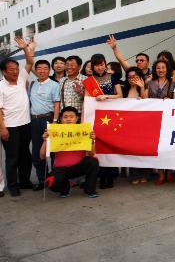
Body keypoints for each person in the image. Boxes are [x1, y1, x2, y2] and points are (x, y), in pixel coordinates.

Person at [0, 37, 35, 197]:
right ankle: (13, 185)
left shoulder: (21, 78)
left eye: (16, 68)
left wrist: (24, 49)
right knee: (12, 157)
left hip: (25, 124)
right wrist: (3, 129)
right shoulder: (1, 86)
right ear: (4, 71)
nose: (15, 71)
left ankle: (25, 181)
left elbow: (29, 62)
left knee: (25, 155)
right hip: (10, 127)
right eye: (11, 69)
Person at [40, 106, 99, 198]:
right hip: (61, 169)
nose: (68, 119)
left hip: (78, 166)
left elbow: (92, 154)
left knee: (93, 161)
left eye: (71, 117)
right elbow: (42, 156)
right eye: (65, 117)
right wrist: (45, 140)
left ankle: (89, 190)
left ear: (77, 118)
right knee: (50, 183)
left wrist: (91, 141)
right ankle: (65, 187)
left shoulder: (83, 131)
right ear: (61, 119)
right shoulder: (54, 132)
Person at [85, 53, 123, 189]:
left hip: (112, 116)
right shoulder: (89, 81)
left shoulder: (113, 77)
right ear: (93, 67)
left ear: (105, 64)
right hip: (97, 118)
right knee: (99, 146)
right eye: (97, 65)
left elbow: (120, 95)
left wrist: (105, 96)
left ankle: (111, 176)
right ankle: (101, 176)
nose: (100, 68)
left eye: (102, 65)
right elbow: (87, 100)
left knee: (111, 145)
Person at [29, 59, 61, 191]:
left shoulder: (54, 84)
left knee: (53, 150)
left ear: (49, 70)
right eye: (39, 68)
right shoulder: (32, 84)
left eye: (45, 68)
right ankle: (42, 179)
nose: (42, 71)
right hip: (35, 120)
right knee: (37, 151)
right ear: (36, 70)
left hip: (48, 119)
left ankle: (54, 178)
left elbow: (57, 104)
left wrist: (54, 121)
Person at [144, 59, 175, 185]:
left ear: (167, 69)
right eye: (158, 68)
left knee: (168, 146)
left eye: (163, 67)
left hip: (169, 119)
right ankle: (161, 174)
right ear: (155, 69)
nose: (161, 70)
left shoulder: (173, 83)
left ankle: (169, 172)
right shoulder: (150, 83)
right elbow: (145, 99)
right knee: (156, 146)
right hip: (154, 118)